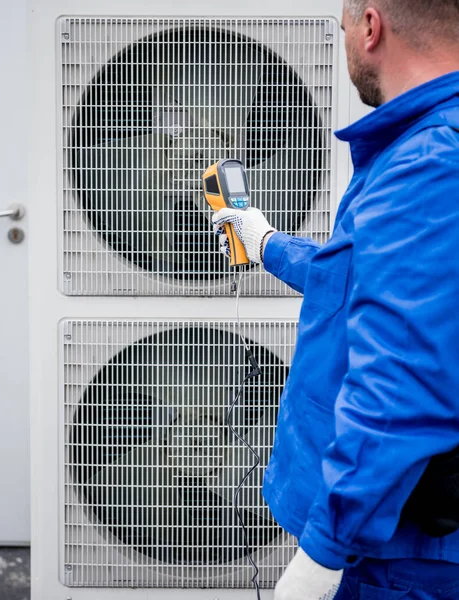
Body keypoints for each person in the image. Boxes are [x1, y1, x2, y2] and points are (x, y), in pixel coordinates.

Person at [212, 1, 459, 599]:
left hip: (396, 557)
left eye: (342, 23)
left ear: (370, 26)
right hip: (388, 542)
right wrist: (266, 242)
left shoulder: (433, 162)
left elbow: (402, 385)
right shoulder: (420, 146)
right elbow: (361, 284)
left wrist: (320, 557)